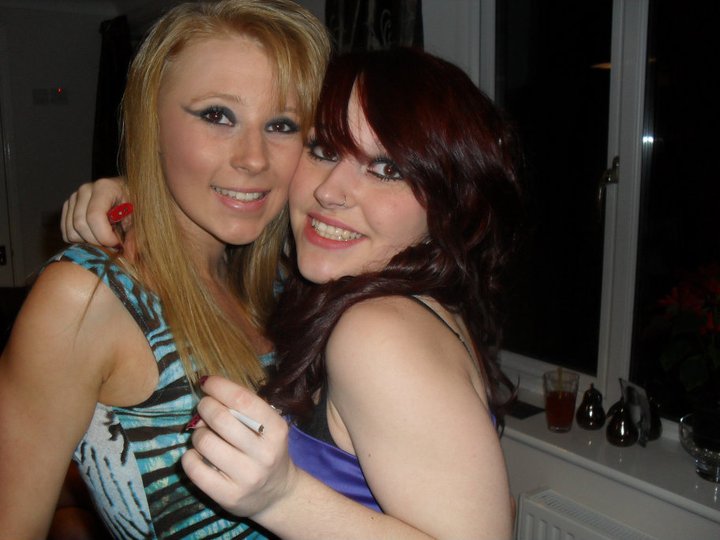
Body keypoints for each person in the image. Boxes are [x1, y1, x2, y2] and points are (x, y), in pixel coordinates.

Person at [62, 48, 524, 539]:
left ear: (450, 202)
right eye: (324, 150)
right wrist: (138, 193)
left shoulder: (379, 332)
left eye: (387, 169)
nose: (329, 191)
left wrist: (282, 497)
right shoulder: (413, 297)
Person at [0, 1, 330, 538]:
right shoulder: (87, 298)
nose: (254, 158)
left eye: (281, 124)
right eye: (218, 115)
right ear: (151, 123)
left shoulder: (283, 282)